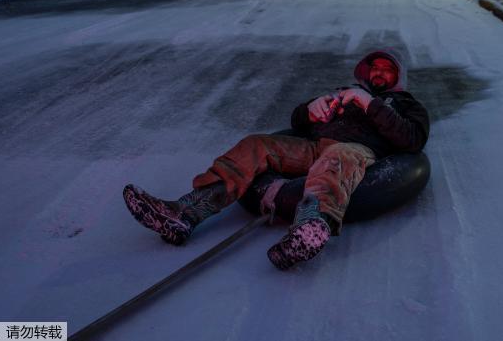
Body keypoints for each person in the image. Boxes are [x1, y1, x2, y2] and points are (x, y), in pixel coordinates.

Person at [123, 50, 430, 270]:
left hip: (359, 152)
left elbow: (412, 139)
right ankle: (185, 212)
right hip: (314, 147)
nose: (378, 72)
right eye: (373, 67)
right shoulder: (343, 95)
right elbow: (298, 122)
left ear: (397, 77)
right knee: (257, 145)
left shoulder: (405, 104)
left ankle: (311, 226)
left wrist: (371, 105)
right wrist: (310, 109)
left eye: (386, 69)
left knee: (338, 155)